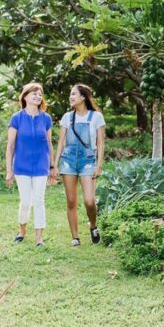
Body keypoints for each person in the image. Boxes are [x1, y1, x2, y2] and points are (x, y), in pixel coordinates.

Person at [54, 84, 106, 246]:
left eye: (74, 94)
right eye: (70, 94)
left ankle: (93, 225)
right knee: (71, 201)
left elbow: (101, 143)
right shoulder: (67, 117)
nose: (71, 97)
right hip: (68, 162)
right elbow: (61, 143)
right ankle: (75, 237)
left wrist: (98, 166)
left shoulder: (96, 117)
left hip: (88, 162)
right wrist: (55, 165)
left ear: (83, 97)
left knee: (89, 200)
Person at [5, 83, 56, 247]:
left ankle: (39, 238)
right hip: (22, 166)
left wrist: (53, 166)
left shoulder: (46, 118)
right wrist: (8, 170)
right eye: (34, 93)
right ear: (25, 96)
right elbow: (10, 146)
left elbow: (49, 143)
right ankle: (22, 231)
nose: (37, 96)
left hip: (41, 165)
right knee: (26, 201)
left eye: (40, 94)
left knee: (39, 201)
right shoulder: (17, 118)